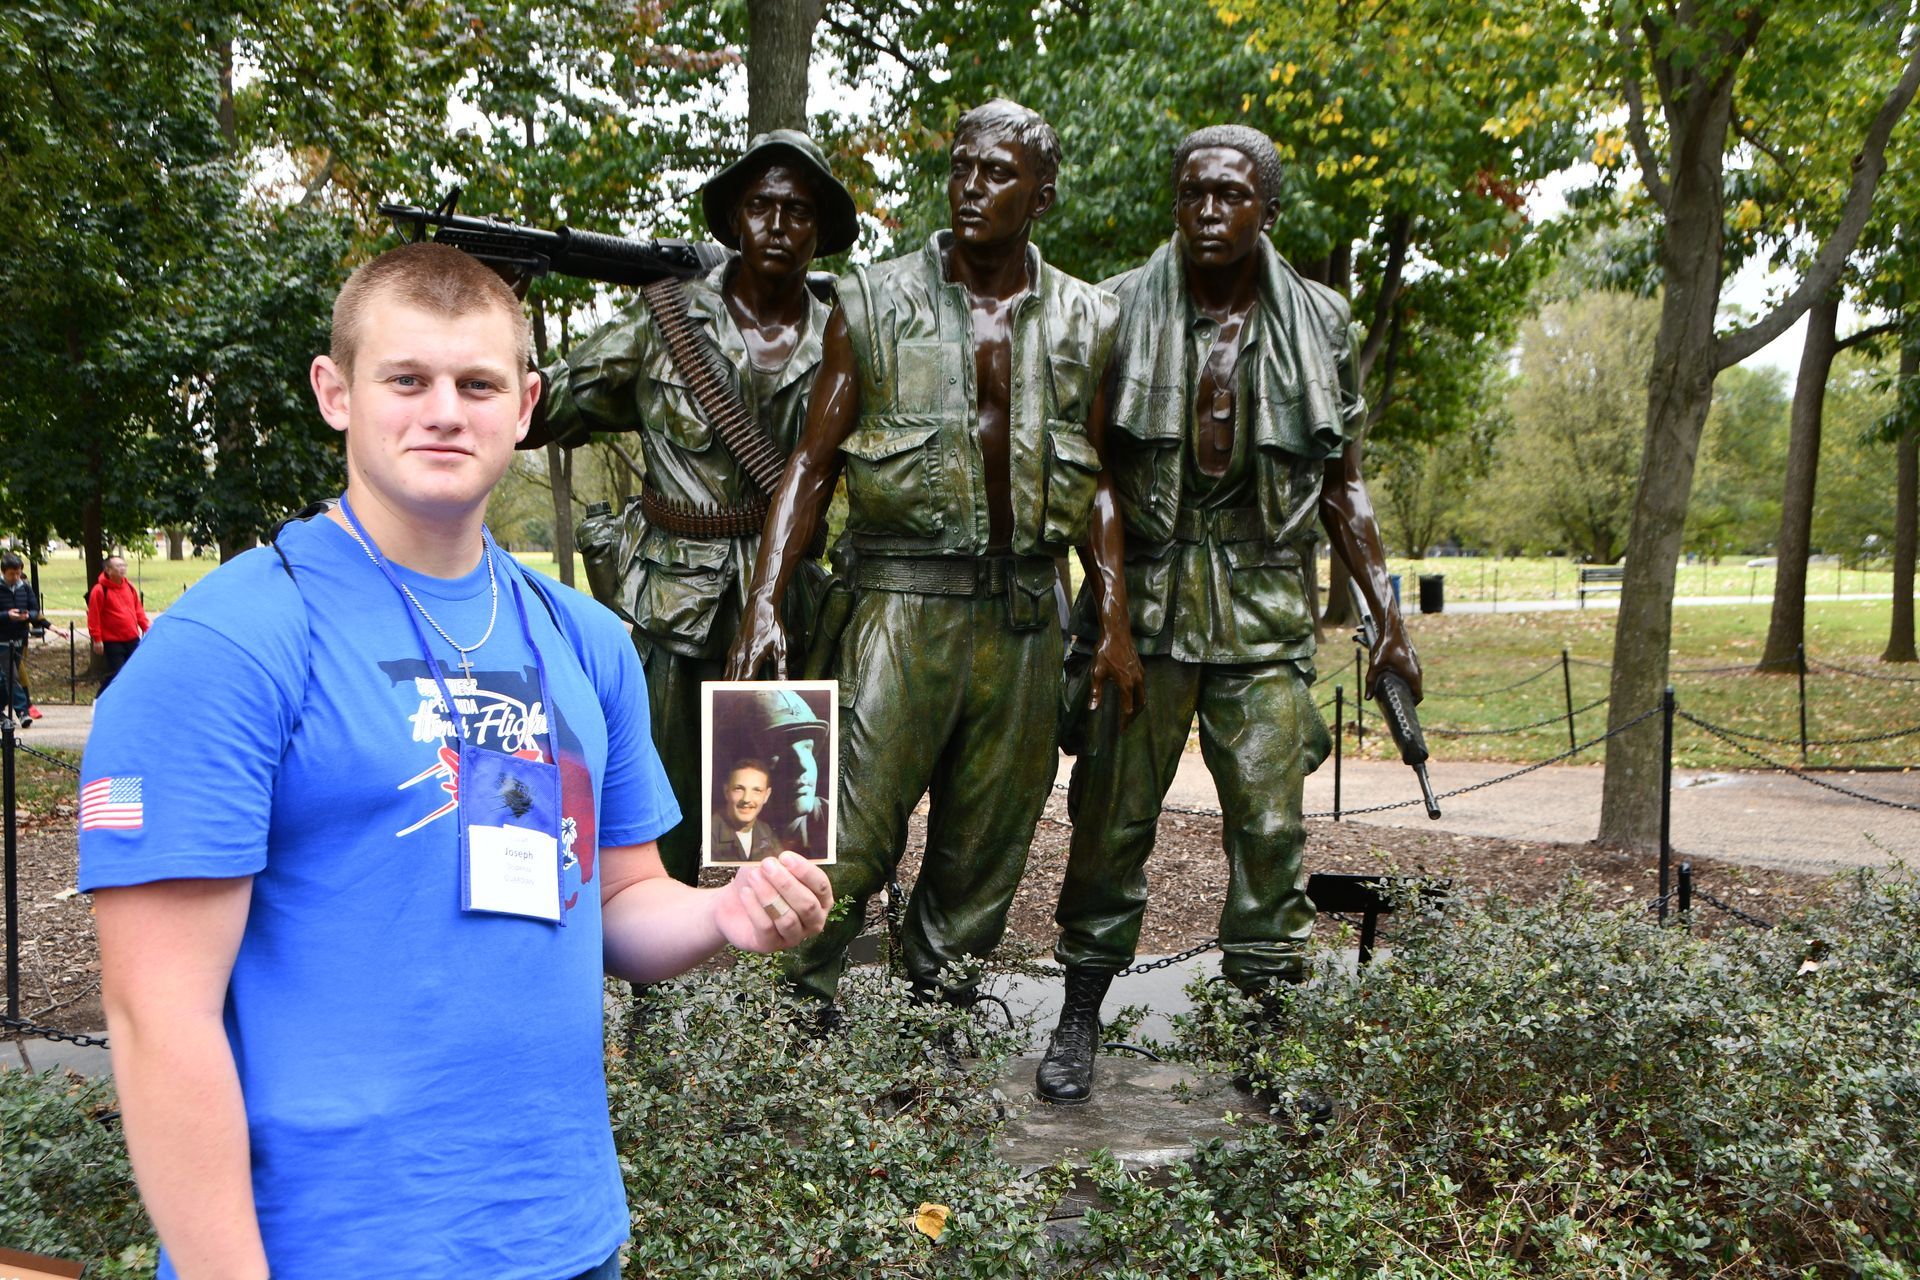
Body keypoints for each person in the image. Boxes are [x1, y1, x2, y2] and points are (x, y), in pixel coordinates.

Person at [78, 241, 834, 1280]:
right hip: (324, 1253)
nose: (445, 410)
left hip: (565, 1239)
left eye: (477, 382)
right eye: (408, 379)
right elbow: (157, 1015)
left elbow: (621, 899)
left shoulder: (587, 641)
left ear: (525, 404)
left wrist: (724, 912)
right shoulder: (228, 644)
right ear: (335, 391)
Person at [1034, 126, 1423, 1105]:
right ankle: (1081, 1006)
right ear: (1176, 201)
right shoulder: (1113, 309)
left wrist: (1389, 616)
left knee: (1269, 827)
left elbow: (1346, 486)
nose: (1209, 212)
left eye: (1231, 196)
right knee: (1111, 821)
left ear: (1268, 210)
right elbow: (1092, 479)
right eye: (1193, 193)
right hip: (1148, 599)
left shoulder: (1322, 323)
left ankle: (1267, 1028)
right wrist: (1112, 616)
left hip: (1259, 606)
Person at [727, 100, 1142, 1008]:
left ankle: (937, 1021)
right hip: (898, 605)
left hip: (1027, 615)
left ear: (1042, 193)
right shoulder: (873, 299)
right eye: (961, 167)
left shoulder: (1090, 318)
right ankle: (794, 1018)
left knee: (985, 846)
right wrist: (765, 598)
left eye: (997, 173)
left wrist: (1112, 614)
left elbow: (1101, 477)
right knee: (847, 832)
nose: (970, 188)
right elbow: (812, 463)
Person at [530, 130, 858, 886]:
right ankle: (655, 991)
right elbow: (541, 407)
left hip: (789, 595)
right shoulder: (664, 323)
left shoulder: (845, 333)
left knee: (781, 819)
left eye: (799, 210)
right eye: (761, 206)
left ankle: (779, 986)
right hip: (673, 597)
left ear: (820, 229)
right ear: (732, 221)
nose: (778, 225)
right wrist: (489, 324)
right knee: (659, 809)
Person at [87, 553, 151, 693]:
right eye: (118, 566)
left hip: (132, 638)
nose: (122, 568)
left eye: (124, 565)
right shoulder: (99, 590)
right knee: (119, 674)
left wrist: (146, 627)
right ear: (108, 570)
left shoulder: (129, 587)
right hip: (112, 641)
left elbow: (138, 610)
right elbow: (94, 616)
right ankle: (101, 698)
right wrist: (97, 639)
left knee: (134, 671)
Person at [710, 758, 783, 862]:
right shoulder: (709, 832)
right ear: (726, 792)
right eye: (739, 789)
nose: (746, 799)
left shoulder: (765, 831)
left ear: (766, 795)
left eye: (757, 790)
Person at [0, 552, 40, 722]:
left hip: (19, 638)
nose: (15, 577)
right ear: (3, 572)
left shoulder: (24, 587)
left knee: (6, 678)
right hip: (2, 639)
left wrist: (27, 615)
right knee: (10, 675)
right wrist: (6, 615)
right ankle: (22, 711)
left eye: (18, 573)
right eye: (11, 574)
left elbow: (35, 608)